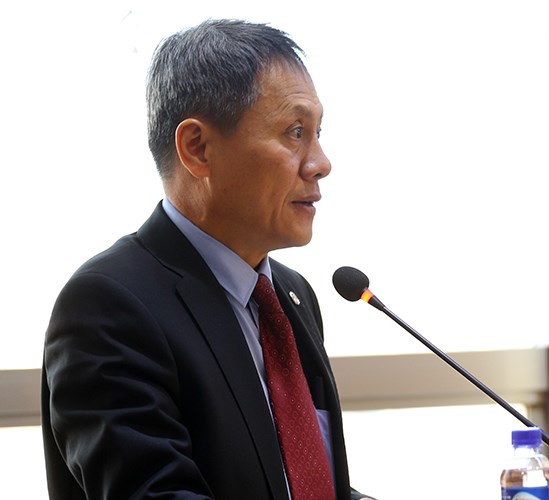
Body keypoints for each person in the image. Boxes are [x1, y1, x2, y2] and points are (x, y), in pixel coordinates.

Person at [42, 19, 373, 499]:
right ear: (197, 148)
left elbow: (304, 485)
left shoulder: (291, 295)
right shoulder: (107, 306)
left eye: (318, 132)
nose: (321, 163)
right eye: (295, 132)